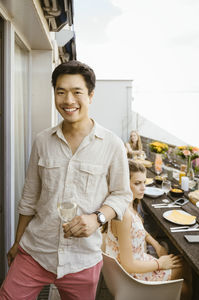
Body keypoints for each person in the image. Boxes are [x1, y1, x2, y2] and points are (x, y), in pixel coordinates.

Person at [0, 61, 132, 300]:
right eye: (61, 92)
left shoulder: (112, 145)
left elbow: (122, 194)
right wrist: (17, 242)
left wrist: (97, 218)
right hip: (35, 251)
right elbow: (29, 197)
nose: (68, 100)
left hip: (82, 259)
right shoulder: (42, 141)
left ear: (91, 96)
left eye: (77, 92)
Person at [104, 160, 192, 300]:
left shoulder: (125, 206)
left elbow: (137, 230)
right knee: (186, 269)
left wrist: (156, 245)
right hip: (132, 278)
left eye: (144, 182)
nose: (143, 187)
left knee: (183, 266)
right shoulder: (124, 216)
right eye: (137, 183)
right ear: (123, 184)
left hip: (135, 265)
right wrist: (160, 263)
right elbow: (128, 265)